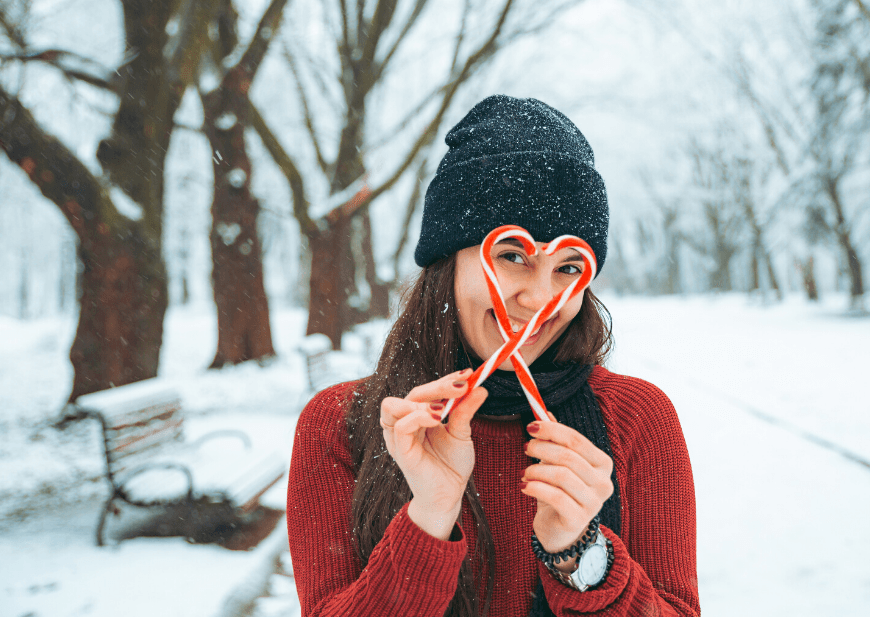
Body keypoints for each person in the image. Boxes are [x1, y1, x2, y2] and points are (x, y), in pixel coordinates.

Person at [287, 95, 699, 617]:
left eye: (568, 267)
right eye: (512, 257)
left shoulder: (638, 418)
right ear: (447, 263)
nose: (538, 298)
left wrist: (579, 553)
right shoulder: (342, 424)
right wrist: (429, 517)